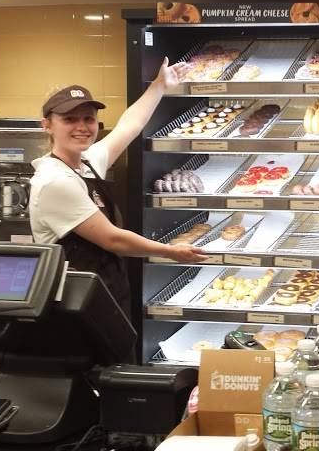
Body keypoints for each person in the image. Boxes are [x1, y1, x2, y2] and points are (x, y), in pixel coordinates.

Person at [30, 58, 208, 321]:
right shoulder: (55, 180)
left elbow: (130, 125)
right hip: (71, 307)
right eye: (69, 119)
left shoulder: (85, 163)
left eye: (88, 119)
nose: (82, 127)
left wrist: (160, 85)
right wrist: (169, 251)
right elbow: (113, 239)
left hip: (99, 294)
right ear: (47, 125)